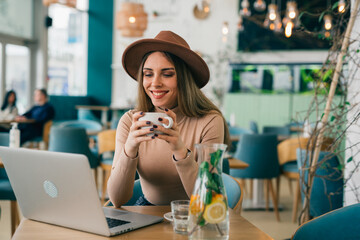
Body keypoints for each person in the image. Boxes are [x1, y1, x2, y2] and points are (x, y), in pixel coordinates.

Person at [107, 31, 230, 207]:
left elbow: (208, 199)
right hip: (148, 214)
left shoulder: (210, 121)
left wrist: (180, 150)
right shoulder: (130, 121)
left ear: (184, 78)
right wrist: (130, 149)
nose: (155, 83)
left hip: (194, 214)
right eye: (148, 74)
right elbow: (117, 199)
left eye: (167, 74)